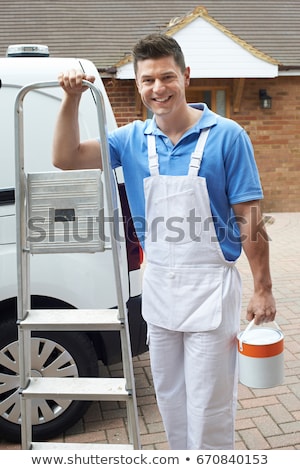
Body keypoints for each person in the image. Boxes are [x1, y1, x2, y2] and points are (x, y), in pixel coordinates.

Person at [53, 33, 276, 450]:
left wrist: (263, 288)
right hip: (159, 287)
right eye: (148, 80)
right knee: (171, 399)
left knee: (209, 402)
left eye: (167, 77)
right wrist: (70, 99)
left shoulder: (228, 136)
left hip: (211, 286)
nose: (159, 89)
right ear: (138, 84)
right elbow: (65, 157)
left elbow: (250, 219)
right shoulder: (129, 140)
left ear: (186, 76)